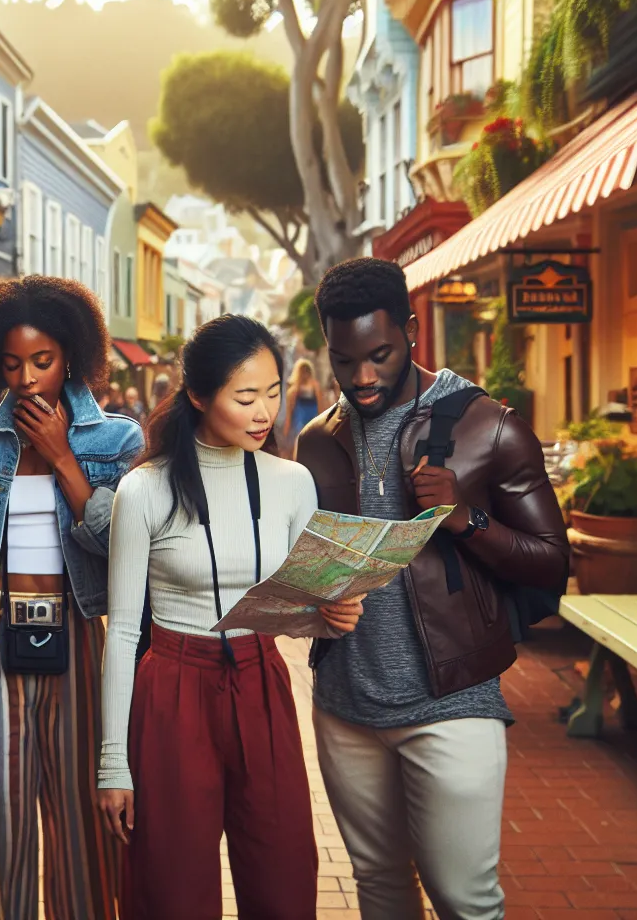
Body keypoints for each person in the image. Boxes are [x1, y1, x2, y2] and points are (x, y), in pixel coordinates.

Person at [297, 258, 568, 920]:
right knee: (381, 886)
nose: (362, 377)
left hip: (453, 703)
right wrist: (312, 599)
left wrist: (467, 521)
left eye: (380, 355)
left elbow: (552, 564)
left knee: (463, 899)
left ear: (412, 331)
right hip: (345, 705)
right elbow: (311, 565)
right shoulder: (316, 441)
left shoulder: (486, 425)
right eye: (345, 359)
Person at [97, 315, 365, 920]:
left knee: (284, 875)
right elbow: (124, 636)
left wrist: (332, 616)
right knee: (173, 885)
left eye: (273, 393)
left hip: (261, 681)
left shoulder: (293, 482)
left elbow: (296, 610)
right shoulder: (144, 490)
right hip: (171, 687)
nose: (264, 411)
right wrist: (113, 763)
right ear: (197, 396)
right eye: (245, 397)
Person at [0, 276, 143, 920]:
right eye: (12, 364)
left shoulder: (119, 443)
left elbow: (125, 551)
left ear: (70, 355)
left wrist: (62, 457)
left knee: (85, 828)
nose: (26, 379)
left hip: (80, 639)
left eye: (41, 362)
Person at [278, 358, 323, 458]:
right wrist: (286, 429)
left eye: (307, 370)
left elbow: (320, 406)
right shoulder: (294, 390)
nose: (305, 374)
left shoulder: (315, 385)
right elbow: (290, 412)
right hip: (299, 422)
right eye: (303, 371)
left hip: (312, 420)